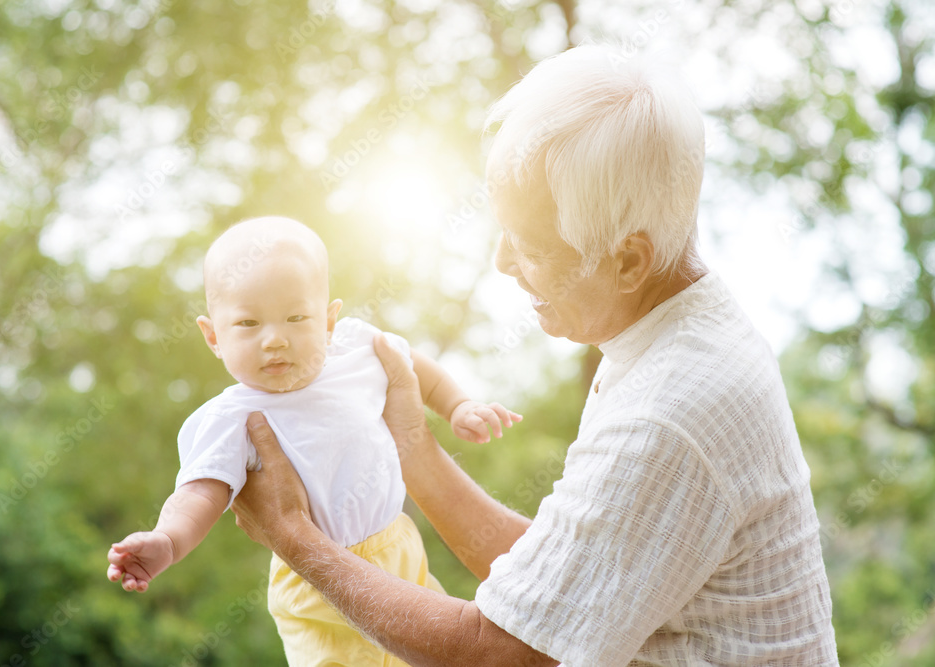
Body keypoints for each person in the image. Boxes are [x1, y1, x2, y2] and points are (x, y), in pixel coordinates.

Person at [229, 44, 841, 666]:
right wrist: (411, 446)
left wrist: (294, 537)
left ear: (628, 260)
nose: (502, 262)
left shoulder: (670, 411)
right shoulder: (671, 331)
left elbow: (503, 654)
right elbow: (563, 591)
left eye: (529, 245)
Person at [105, 216, 521, 666]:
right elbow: (200, 491)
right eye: (247, 323)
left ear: (329, 319)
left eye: (296, 317)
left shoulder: (356, 350)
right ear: (213, 336)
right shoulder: (231, 417)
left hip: (397, 549)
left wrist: (459, 406)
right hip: (317, 586)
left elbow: (413, 367)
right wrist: (168, 540)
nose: (275, 339)